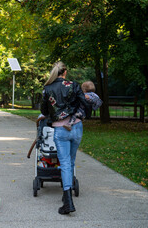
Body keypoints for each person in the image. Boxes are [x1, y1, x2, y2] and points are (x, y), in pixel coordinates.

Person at [41, 61, 91, 215]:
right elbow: (85, 103)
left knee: (65, 164)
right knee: (70, 161)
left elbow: (43, 109)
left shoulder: (47, 89)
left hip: (60, 130)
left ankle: (68, 200)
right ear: (65, 72)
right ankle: (66, 196)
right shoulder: (74, 85)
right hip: (76, 128)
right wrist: (85, 116)